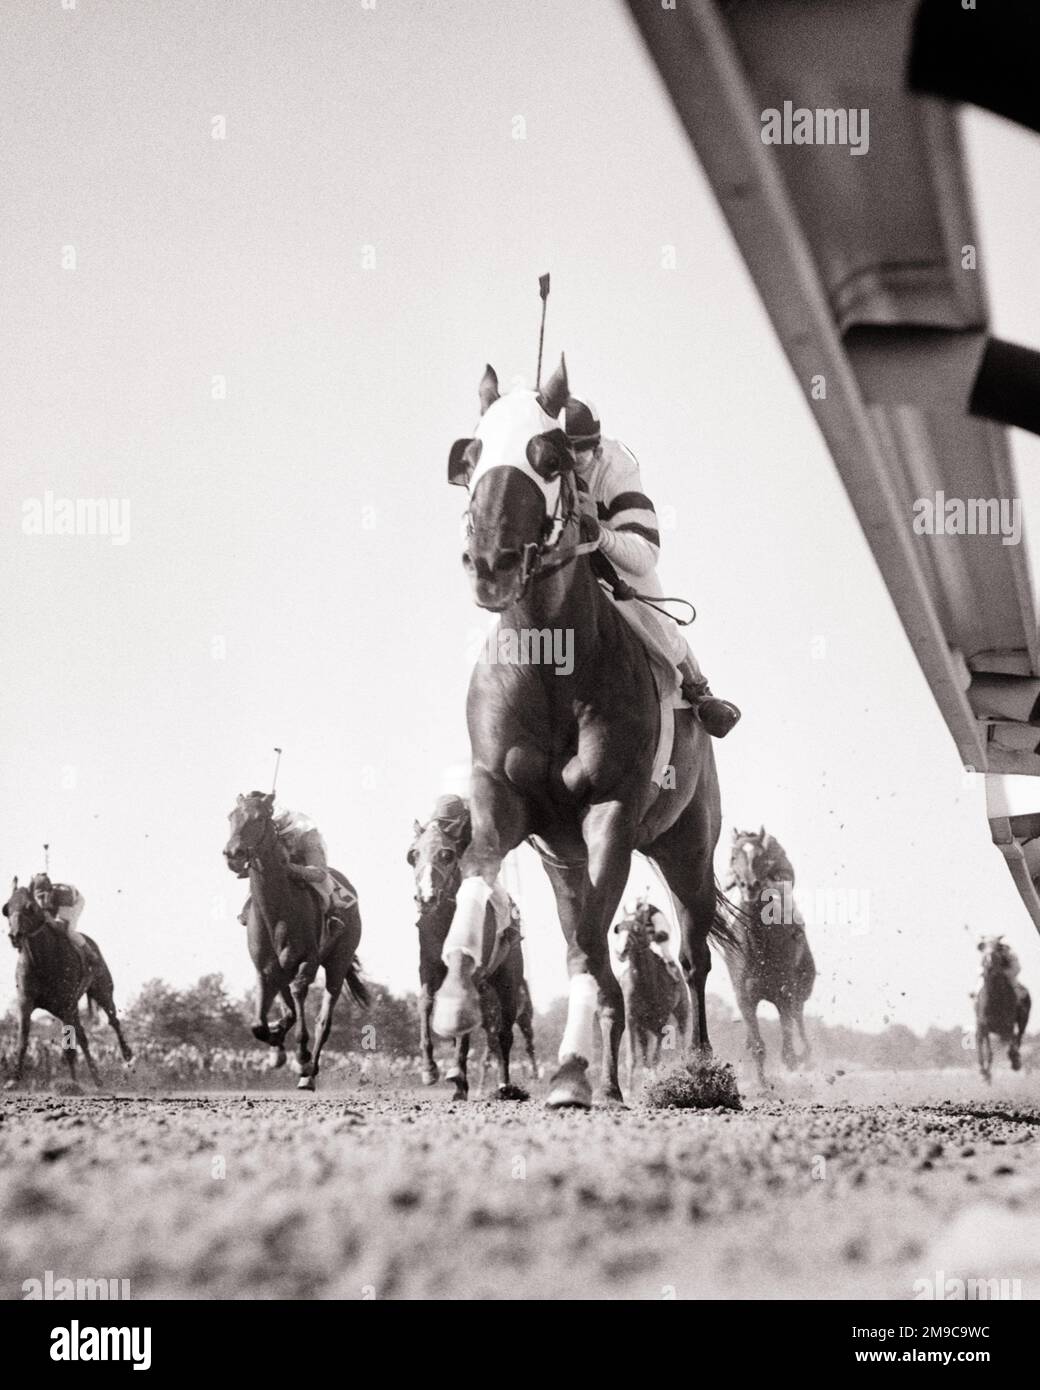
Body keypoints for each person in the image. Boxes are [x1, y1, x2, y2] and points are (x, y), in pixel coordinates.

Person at [564, 396, 740, 737]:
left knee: (652, 615)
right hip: (560, 564)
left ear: (597, 448)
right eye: (565, 453)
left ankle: (696, 691)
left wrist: (600, 536)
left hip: (611, 561)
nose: (572, 462)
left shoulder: (617, 467)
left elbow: (645, 554)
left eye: (580, 452)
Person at [29, 873, 90, 953]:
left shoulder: (64, 897)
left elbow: (61, 928)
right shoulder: (32, 898)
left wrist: (51, 920)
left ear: (51, 893)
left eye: (43, 896)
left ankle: (91, 953)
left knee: (69, 932)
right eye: (38, 897)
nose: (41, 902)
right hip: (54, 903)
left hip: (74, 901)